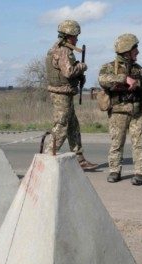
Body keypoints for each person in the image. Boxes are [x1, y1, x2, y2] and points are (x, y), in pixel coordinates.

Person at [98, 33, 142, 185]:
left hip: (137, 112)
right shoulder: (109, 67)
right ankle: (114, 171)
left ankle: (139, 173)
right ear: (126, 50)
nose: (137, 52)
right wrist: (124, 78)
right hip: (118, 112)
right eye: (135, 49)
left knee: (139, 143)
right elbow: (102, 80)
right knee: (116, 143)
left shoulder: (139, 69)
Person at [44, 19, 98, 170]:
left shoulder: (58, 48)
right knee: (61, 126)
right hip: (61, 94)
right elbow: (68, 71)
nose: (77, 38)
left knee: (73, 126)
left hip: (64, 93)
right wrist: (82, 67)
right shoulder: (63, 50)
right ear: (68, 36)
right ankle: (47, 158)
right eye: (75, 35)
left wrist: (78, 76)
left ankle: (79, 159)